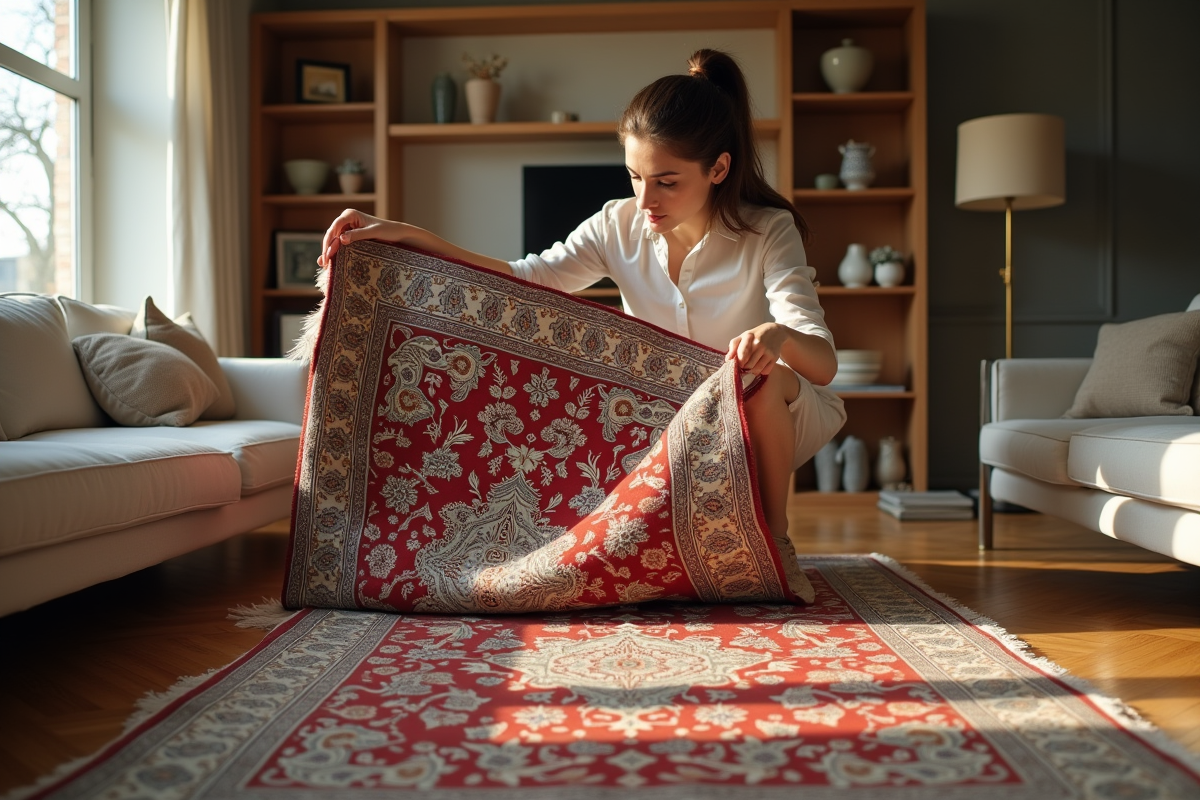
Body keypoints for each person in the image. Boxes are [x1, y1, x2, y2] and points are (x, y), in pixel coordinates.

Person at [317, 49, 846, 542]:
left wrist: (776, 336)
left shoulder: (770, 230)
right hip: (668, 415)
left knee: (767, 376)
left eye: (666, 182)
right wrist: (408, 235)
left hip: (770, 414)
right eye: (635, 177)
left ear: (719, 169)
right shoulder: (616, 225)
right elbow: (526, 279)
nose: (645, 201)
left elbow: (820, 366)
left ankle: (776, 541)